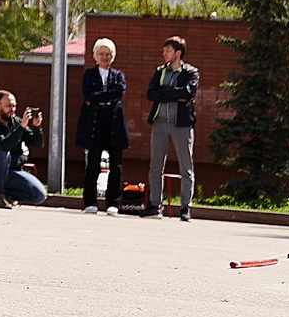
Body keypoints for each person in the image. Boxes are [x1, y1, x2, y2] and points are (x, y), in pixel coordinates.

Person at [144, 35, 200, 220]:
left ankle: (185, 208)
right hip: (160, 122)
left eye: (167, 50)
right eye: (163, 50)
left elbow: (187, 93)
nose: (164, 54)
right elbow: (151, 93)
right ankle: (154, 205)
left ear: (178, 53)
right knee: (156, 166)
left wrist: (165, 92)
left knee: (186, 166)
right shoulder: (160, 71)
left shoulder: (191, 73)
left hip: (181, 124)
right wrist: (173, 94)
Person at [75, 37, 132, 214]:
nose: (105, 57)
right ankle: (90, 202)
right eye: (102, 54)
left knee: (116, 165)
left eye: (108, 54)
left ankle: (113, 203)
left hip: (114, 123)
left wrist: (100, 97)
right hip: (94, 123)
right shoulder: (89, 75)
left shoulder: (118, 76)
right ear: (96, 56)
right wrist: (107, 97)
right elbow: (89, 95)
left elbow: (119, 92)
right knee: (93, 164)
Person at [0, 90, 48, 209]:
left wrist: (36, 128)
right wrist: (21, 128)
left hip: (12, 172)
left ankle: (9, 195)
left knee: (40, 195)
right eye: (9, 106)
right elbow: (4, 145)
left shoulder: (16, 122)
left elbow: (37, 144)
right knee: (3, 153)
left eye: (14, 106)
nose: (13, 109)